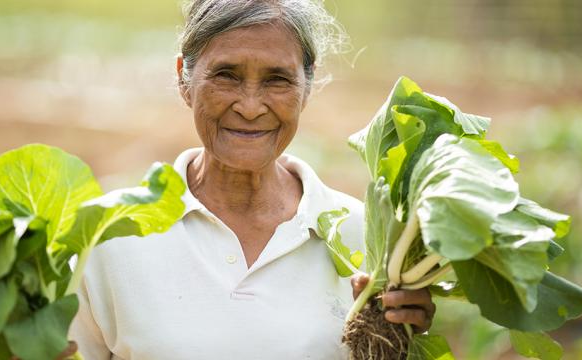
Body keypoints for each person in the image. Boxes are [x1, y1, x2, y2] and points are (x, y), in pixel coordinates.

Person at [69, 0, 435, 358]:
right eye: (226, 75)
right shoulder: (108, 238)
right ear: (184, 78)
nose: (249, 106)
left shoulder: (367, 239)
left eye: (277, 80)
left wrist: (401, 337)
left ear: (306, 86)